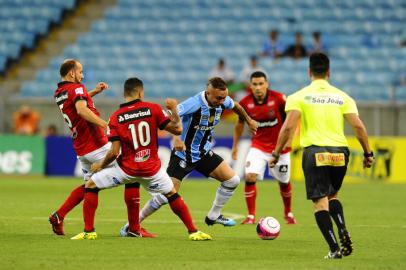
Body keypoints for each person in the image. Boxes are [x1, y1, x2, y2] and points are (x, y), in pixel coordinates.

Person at [70, 77, 212, 241]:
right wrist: (174, 110)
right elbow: (178, 130)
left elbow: (114, 153)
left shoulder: (116, 117)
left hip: (127, 171)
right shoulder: (153, 109)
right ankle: (193, 231)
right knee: (172, 194)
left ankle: (89, 232)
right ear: (140, 92)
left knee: (91, 185)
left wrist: (100, 165)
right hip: (152, 170)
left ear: (125, 94)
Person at [119, 77, 258, 235]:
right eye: (218, 98)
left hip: (203, 153)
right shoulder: (194, 103)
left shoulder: (223, 100)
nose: (222, 101)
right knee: (166, 195)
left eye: (224, 97)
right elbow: (170, 116)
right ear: (208, 93)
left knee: (232, 180)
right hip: (183, 154)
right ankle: (131, 225)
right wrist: (176, 137)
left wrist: (249, 120)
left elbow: (236, 106)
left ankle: (213, 215)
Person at [269, 53, 374, 259]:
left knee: (320, 203)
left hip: (315, 151)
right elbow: (358, 127)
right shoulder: (343, 96)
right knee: (332, 195)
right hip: (340, 152)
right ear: (329, 72)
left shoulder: (298, 96)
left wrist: (276, 152)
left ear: (309, 72)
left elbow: (289, 126)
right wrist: (368, 153)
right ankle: (342, 228)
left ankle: (334, 249)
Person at [49, 59, 154, 238]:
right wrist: (106, 125)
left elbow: (76, 104)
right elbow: (81, 110)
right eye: (80, 71)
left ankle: (60, 216)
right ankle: (134, 228)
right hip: (97, 144)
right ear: (72, 73)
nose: (82, 75)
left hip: (82, 149)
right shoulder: (77, 88)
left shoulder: (60, 92)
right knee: (133, 177)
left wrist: (94, 92)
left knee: (90, 186)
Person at [232, 71, 296, 225]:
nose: (258, 87)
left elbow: (292, 120)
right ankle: (251, 216)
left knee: (284, 182)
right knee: (250, 176)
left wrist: (289, 140)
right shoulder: (245, 103)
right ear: (250, 86)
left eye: (261, 84)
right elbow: (239, 124)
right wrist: (235, 146)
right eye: (255, 84)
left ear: (267, 84)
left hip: (279, 148)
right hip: (258, 146)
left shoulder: (279, 99)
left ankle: (288, 213)